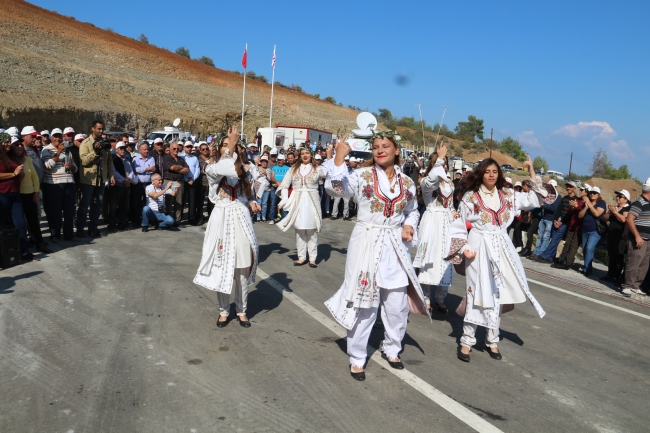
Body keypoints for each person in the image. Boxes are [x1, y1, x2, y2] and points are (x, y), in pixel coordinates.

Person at [324, 131, 428, 381]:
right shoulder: (362, 175)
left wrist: (408, 225)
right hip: (367, 241)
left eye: (385, 146)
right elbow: (336, 189)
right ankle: (357, 357)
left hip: (394, 246)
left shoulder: (408, 183)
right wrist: (339, 157)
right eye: (376, 147)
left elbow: (412, 210)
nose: (380, 150)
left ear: (396, 150)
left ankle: (392, 348)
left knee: (396, 305)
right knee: (366, 304)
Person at [446, 156, 547, 363]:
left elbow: (536, 200)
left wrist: (532, 173)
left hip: (501, 245)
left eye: (495, 172)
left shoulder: (509, 195)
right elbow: (457, 223)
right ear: (480, 174)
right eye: (487, 172)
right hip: (478, 246)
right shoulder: (471, 197)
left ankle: (492, 340)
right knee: (475, 292)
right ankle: (467, 340)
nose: (491, 175)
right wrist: (464, 248)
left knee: (497, 293)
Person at [194, 127, 261, 328]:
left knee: (242, 267)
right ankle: (224, 310)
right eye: (224, 145)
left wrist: (251, 202)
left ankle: (241, 310)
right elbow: (227, 167)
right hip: (222, 217)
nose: (228, 148)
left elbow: (249, 191)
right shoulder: (212, 169)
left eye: (231, 145)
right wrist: (229, 147)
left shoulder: (247, 171)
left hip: (240, 217)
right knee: (221, 265)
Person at [413, 145, 455, 314]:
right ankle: (426, 296)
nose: (444, 166)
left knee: (445, 259)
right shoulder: (426, 181)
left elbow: (450, 204)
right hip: (431, 220)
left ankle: (440, 296)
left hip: (446, 222)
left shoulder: (449, 182)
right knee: (429, 259)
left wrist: (453, 212)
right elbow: (431, 182)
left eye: (445, 163)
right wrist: (439, 160)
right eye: (441, 163)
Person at [276, 146, 329, 267]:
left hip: (312, 201)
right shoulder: (293, 169)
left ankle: (312, 258)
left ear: (311, 155)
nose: (305, 155)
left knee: (312, 230)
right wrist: (285, 198)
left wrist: (330, 155)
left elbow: (328, 173)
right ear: (299, 156)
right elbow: (284, 185)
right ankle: (301, 257)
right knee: (299, 230)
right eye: (302, 153)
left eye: (307, 153)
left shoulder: (318, 168)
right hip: (298, 201)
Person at [78, 121, 115, 238]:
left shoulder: (104, 143)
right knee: (84, 205)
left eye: (102, 129)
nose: (101, 131)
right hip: (88, 180)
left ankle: (93, 228)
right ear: (92, 129)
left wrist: (111, 175)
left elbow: (109, 161)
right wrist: (95, 153)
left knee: (98, 205)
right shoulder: (85, 143)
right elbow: (84, 161)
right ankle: (80, 229)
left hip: (101, 179)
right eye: (98, 129)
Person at [0, 133, 33, 261]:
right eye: (6, 142)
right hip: (2, 195)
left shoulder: (12, 157)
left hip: (15, 194)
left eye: (9, 141)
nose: (9, 144)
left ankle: (24, 252)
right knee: (1, 224)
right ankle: (3, 254)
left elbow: (18, 175)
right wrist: (13, 174)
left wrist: (20, 174)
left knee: (20, 223)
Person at [41, 128, 78, 242]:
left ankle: (68, 235)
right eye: (55, 136)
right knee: (55, 211)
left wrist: (70, 167)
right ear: (51, 138)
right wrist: (58, 152)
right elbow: (48, 165)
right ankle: (55, 235)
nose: (57, 139)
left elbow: (75, 168)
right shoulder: (46, 150)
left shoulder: (67, 151)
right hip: (54, 184)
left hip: (68, 183)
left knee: (69, 211)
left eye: (59, 136)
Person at [15, 138, 51, 253]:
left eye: (21, 145)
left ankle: (39, 243)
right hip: (17, 194)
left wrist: (36, 192)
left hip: (30, 194)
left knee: (33, 220)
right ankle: (22, 247)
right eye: (16, 145)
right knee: (20, 222)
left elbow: (34, 176)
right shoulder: (10, 160)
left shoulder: (27, 159)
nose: (20, 147)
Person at [536, 181, 578, 263]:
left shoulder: (575, 200)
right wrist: (555, 219)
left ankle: (545, 255)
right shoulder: (565, 198)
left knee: (555, 238)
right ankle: (551, 257)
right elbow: (559, 209)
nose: (568, 188)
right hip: (559, 218)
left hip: (566, 221)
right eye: (567, 186)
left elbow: (570, 214)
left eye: (570, 187)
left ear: (574, 189)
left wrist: (561, 222)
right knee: (553, 238)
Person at [621, 180, 650, 297]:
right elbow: (630, 219)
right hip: (638, 237)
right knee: (634, 261)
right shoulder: (639, 202)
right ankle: (627, 286)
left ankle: (635, 285)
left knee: (644, 263)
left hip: (648, 239)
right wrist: (637, 236)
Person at [551, 186, 587, 269]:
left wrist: (577, 207)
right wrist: (573, 207)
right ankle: (561, 260)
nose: (580, 191)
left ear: (586, 192)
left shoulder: (586, 202)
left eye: (582, 190)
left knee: (574, 245)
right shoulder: (577, 199)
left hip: (579, 227)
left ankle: (568, 263)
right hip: (572, 225)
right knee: (567, 243)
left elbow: (582, 215)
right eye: (580, 190)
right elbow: (569, 211)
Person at [601, 190, 631, 282]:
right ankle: (610, 273)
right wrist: (610, 212)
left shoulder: (627, 209)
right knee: (611, 255)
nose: (617, 198)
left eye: (620, 196)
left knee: (619, 255)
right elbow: (604, 219)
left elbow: (624, 220)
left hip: (620, 236)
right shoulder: (615, 208)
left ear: (626, 199)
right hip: (611, 234)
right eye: (617, 196)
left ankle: (616, 275)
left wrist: (615, 212)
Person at [529, 180, 561, 260]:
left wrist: (544, 205)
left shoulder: (558, 197)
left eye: (552, 187)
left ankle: (540, 253)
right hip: (544, 218)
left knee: (545, 237)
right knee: (540, 236)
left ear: (556, 187)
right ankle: (535, 252)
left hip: (550, 220)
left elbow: (553, 208)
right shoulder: (548, 195)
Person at [578, 186, 606, 275]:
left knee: (590, 248)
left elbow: (597, 214)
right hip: (585, 229)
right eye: (591, 193)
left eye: (595, 193)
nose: (592, 194)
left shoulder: (601, 203)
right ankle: (586, 266)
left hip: (595, 231)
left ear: (598, 195)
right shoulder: (586, 203)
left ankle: (587, 269)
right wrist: (585, 208)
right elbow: (580, 216)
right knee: (585, 249)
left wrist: (589, 205)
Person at [108, 142, 134, 231]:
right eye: (121, 148)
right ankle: (111, 225)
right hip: (116, 186)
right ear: (117, 150)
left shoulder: (127, 160)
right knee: (113, 206)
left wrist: (128, 179)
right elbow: (113, 172)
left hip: (126, 186)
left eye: (124, 148)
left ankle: (122, 224)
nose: (123, 150)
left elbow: (131, 171)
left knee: (125, 206)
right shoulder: (113, 159)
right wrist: (123, 180)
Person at [162, 143, 190, 225]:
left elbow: (187, 169)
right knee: (169, 201)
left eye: (177, 149)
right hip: (169, 182)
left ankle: (177, 220)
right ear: (170, 149)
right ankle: (168, 219)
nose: (176, 150)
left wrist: (176, 168)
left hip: (179, 182)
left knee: (179, 201)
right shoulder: (166, 158)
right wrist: (181, 168)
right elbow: (171, 167)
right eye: (174, 149)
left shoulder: (181, 159)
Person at [131, 143, 156, 226]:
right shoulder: (135, 159)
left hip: (148, 184)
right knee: (137, 202)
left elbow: (153, 169)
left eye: (147, 149)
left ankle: (148, 220)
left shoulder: (151, 158)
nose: (146, 151)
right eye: (144, 149)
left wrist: (143, 170)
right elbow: (136, 170)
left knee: (148, 203)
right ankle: (136, 220)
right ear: (140, 150)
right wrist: (148, 169)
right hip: (138, 184)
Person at [182, 142, 201, 224]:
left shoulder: (195, 158)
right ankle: (180, 217)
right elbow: (180, 171)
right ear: (184, 148)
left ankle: (191, 218)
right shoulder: (181, 158)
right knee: (182, 200)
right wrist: (186, 179)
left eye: (190, 147)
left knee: (192, 200)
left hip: (193, 181)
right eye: (187, 147)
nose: (189, 148)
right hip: (184, 181)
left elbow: (197, 169)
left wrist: (193, 179)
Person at [269, 154, 289, 224]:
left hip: (283, 188)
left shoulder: (288, 168)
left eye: (280, 160)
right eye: (278, 160)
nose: (279, 161)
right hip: (275, 187)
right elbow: (271, 177)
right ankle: (272, 218)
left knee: (283, 203)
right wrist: (277, 182)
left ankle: (284, 219)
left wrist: (280, 183)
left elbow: (288, 178)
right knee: (273, 204)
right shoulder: (274, 168)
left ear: (284, 160)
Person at [195, 143, 211, 225]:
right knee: (200, 202)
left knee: (211, 202)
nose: (205, 151)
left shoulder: (212, 159)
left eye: (206, 149)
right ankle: (200, 217)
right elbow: (197, 170)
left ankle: (211, 217)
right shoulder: (198, 159)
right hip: (201, 183)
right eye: (203, 149)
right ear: (200, 150)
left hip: (211, 184)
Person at [254, 155, 272, 222]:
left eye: (265, 162)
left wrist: (266, 175)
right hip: (259, 189)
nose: (264, 163)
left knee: (264, 203)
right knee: (259, 202)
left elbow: (270, 179)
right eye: (262, 162)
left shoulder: (268, 170)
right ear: (260, 162)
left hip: (267, 189)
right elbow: (254, 177)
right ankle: (258, 217)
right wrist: (260, 174)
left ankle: (263, 216)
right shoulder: (257, 168)